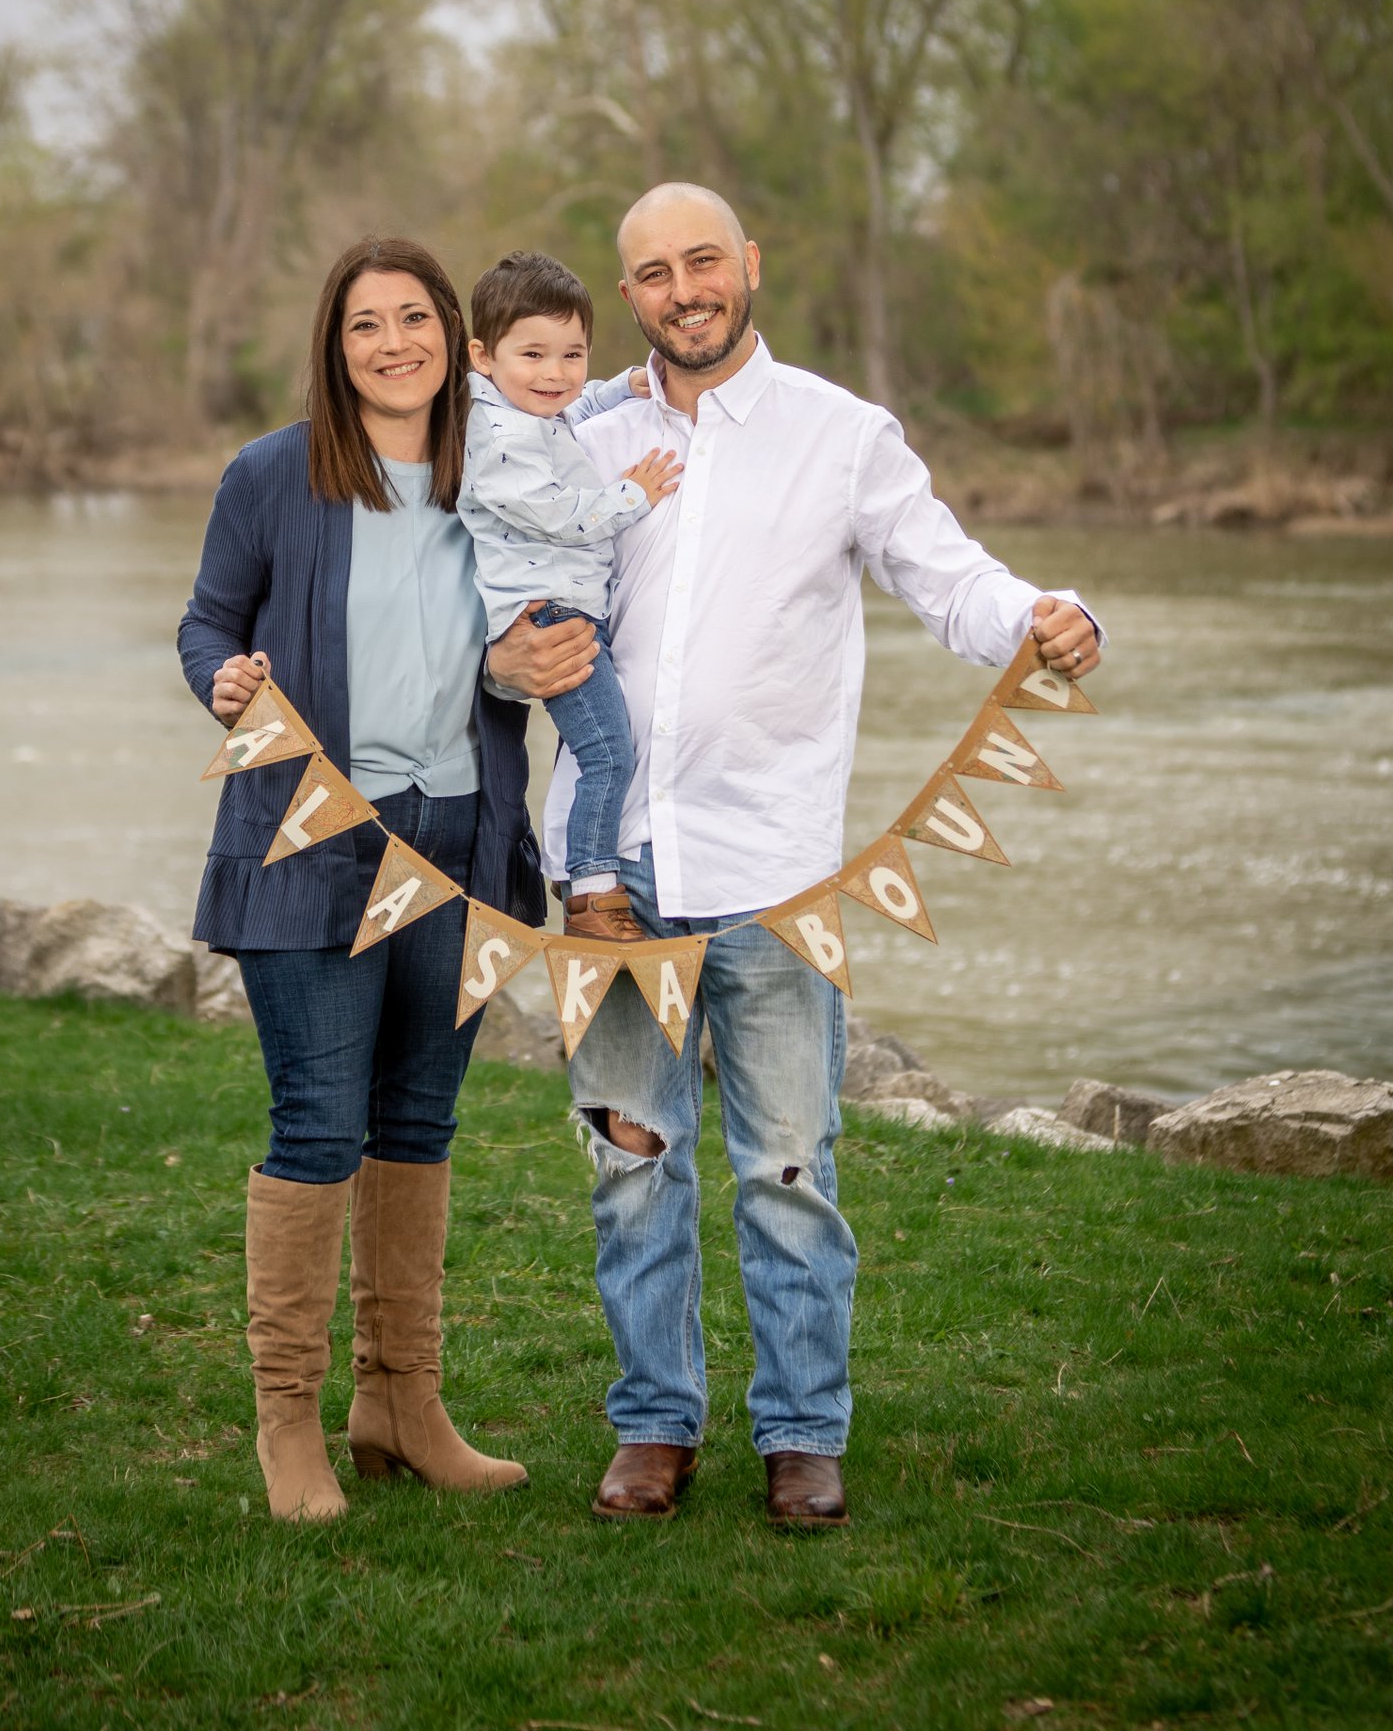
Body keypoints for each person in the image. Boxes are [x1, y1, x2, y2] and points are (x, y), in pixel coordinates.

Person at [496, 183, 1104, 1532]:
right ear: (630, 294)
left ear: (749, 266)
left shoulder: (843, 435)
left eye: (702, 260)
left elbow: (946, 577)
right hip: (606, 876)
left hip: (773, 873)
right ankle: (654, 1426)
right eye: (652, 273)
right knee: (628, 1158)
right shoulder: (573, 431)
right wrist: (493, 655)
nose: (681, 290)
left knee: (788, 1168)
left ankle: (801, 1433)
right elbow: (472, 559)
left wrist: (1046, 616)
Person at [177, 235, 551, 1524]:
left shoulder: (499, 472)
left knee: (418, 1127)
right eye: (363, 326)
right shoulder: (273, 476)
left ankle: (401, 1403)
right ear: (334, 351)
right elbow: (206, 625)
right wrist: (220, 681)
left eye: (413, 319)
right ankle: (289, 1425)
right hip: (312, 842)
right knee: (318, 1130)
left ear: (455, 334)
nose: (393, 343)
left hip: (464, 843)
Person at [460, 249, 681, 941]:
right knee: (609, 752)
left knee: (608, 746)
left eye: (572, 354)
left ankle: (588, 878)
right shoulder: (493, 438)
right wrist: (633, 496)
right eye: (533, 355)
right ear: (482, 356)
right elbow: (559, 512)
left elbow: (566, 406)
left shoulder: (524, 409)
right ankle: (591, 892)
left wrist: (618, 389)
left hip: (571, 606)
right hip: (549, 617)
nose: (555, 374)